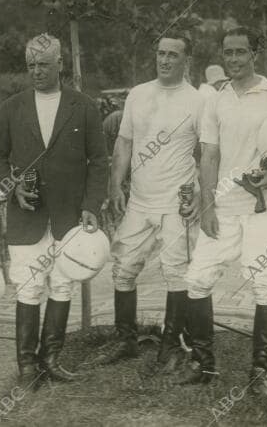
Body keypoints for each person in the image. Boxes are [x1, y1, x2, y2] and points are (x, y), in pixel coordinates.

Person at [179, 27, 267, 396]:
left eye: (241, 52)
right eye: (228, 53)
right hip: (225, 205)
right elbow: (209, 155)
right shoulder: (215, 98)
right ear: (222, 56)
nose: (234, 59)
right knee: (196, 281)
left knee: (265, 288)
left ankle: (260, 372)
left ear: (254, 54)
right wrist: (208, 204)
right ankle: (203, 363)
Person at [0, 33, 108, 386]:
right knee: (28, 286)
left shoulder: (82, 106)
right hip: (27, 215)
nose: (37, 71)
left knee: (62, 283)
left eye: (43, 64)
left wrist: (91, 206)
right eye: (31, 65)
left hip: (69, 218)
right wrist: (13, 187)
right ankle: (26, 365)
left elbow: (98, 160)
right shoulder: (12, 108)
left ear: (60, 64)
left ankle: (50, 358)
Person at [90, 36, 202, 369]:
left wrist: (200, 193)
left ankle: (171, 344)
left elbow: (210, 152)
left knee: (176, 272)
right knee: (123, 269)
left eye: (173, 55)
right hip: (139, 199)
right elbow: (124, 142)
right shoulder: (138, 94)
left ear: (186, 61)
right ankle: (126, 340)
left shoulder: (198, 101)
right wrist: (115, 186)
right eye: (161, 54)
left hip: (175, 202)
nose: (165, 60)